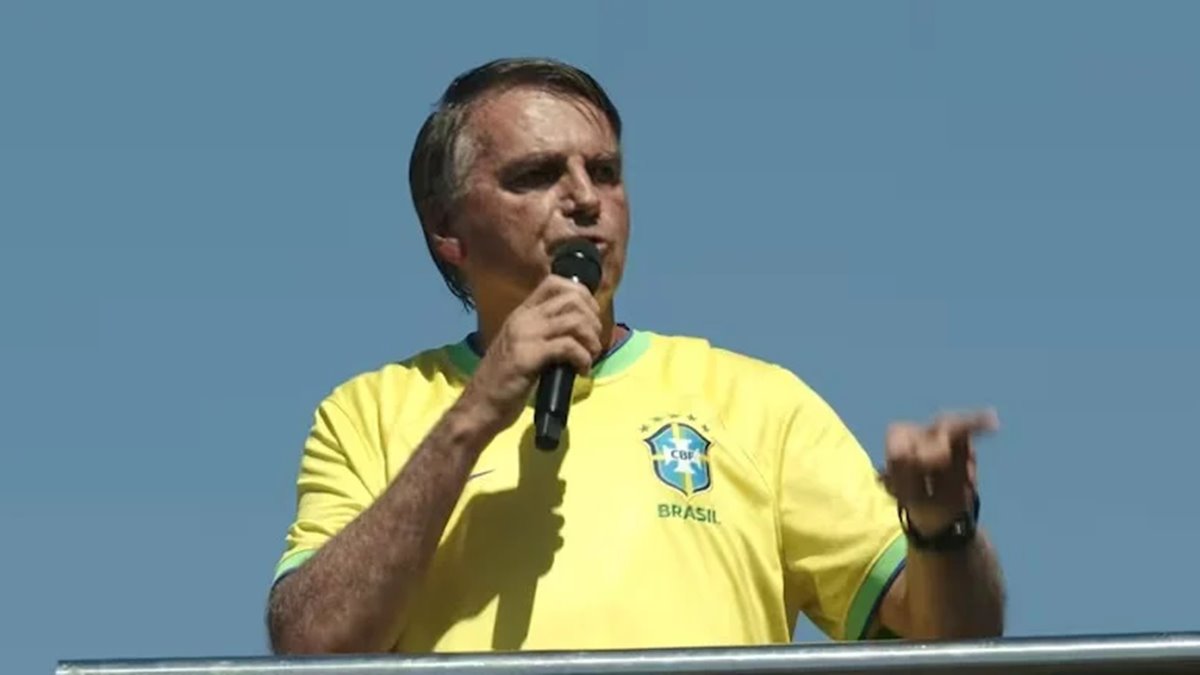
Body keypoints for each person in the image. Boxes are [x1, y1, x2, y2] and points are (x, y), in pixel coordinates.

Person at [265, 57, 1006, 654]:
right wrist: (474, 415)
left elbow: (956, 641)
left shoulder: (757, 402)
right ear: (447, 230)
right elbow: (310, 642)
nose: (585, 198)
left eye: (605, 171)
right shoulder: (367, 412)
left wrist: (943, 528)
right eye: (537, 175)